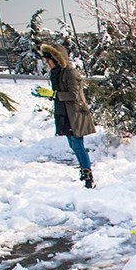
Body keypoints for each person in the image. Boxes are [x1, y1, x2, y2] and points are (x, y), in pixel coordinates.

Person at [36, 44, 97, 188]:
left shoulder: (70, 73)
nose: (47, 64)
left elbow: (73, 95)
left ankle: (88, 177)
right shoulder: (57, 73)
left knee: (77, 144)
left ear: (56, 59)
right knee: (73, 144)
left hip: (75, 114)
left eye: (48, 60)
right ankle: (85, 173)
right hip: (65, 114)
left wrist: (54, 94)